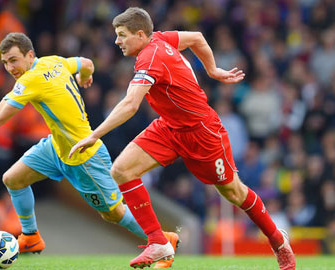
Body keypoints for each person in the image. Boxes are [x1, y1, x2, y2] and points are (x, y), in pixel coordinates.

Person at [70, 7, 296, 269]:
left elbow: (131, 105)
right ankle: (158, 242)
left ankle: (278, 241)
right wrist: (212, 70)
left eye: (122, 35)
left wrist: (93, 136)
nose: (117, 41)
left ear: (140, 34)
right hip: (169, 128)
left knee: (234, 192)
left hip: (202, 133)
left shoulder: (150, 56)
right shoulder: (161, 39)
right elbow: (197, 38)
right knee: (121, 170)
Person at [0, 32, 179, 269]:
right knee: (13, 179)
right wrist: (85, 77)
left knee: (113, 214)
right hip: (57, 147)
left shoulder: (30, 80)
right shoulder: (55, 61)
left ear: (30, 55)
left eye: (14, 60)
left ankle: (163, 241)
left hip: (85, 155)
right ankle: (30, 237)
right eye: (5, 63)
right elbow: (87, 63)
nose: (10, 68)